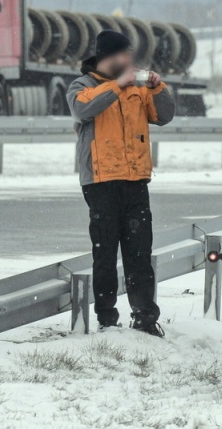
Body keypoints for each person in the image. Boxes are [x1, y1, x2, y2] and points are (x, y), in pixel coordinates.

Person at [66, 30, 175, 337]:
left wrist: (157, 88)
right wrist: (117, 85)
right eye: (122, 55)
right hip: (100, 182)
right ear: (106, 57)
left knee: (139, 252)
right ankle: (106, 318)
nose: (128, 61)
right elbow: (83, 108)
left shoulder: (137, 89)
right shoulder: (82, 85)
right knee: (105, 252)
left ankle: (144, 317)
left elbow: (164, 115)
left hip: (135, 180)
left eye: (130, 55)